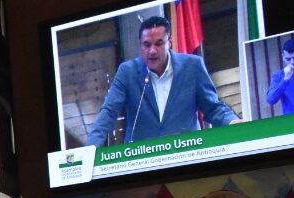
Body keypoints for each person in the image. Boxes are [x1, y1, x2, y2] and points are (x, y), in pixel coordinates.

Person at [85, 16, 239, 147]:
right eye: (147, 45)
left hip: (186, 156)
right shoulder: (127, 72)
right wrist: (90, 148)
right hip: (141, 162)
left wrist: (232, 123)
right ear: (140, 45)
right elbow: (109, 111)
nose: (152, 51)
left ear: (169, 42)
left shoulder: (193, 66)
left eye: (159, 44)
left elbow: (212, 108)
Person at [266, 39, 294, 116]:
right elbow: (271, 99)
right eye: (288, 59)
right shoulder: (278, 76)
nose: (292, 62)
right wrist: (285, 80)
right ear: (283, 57)